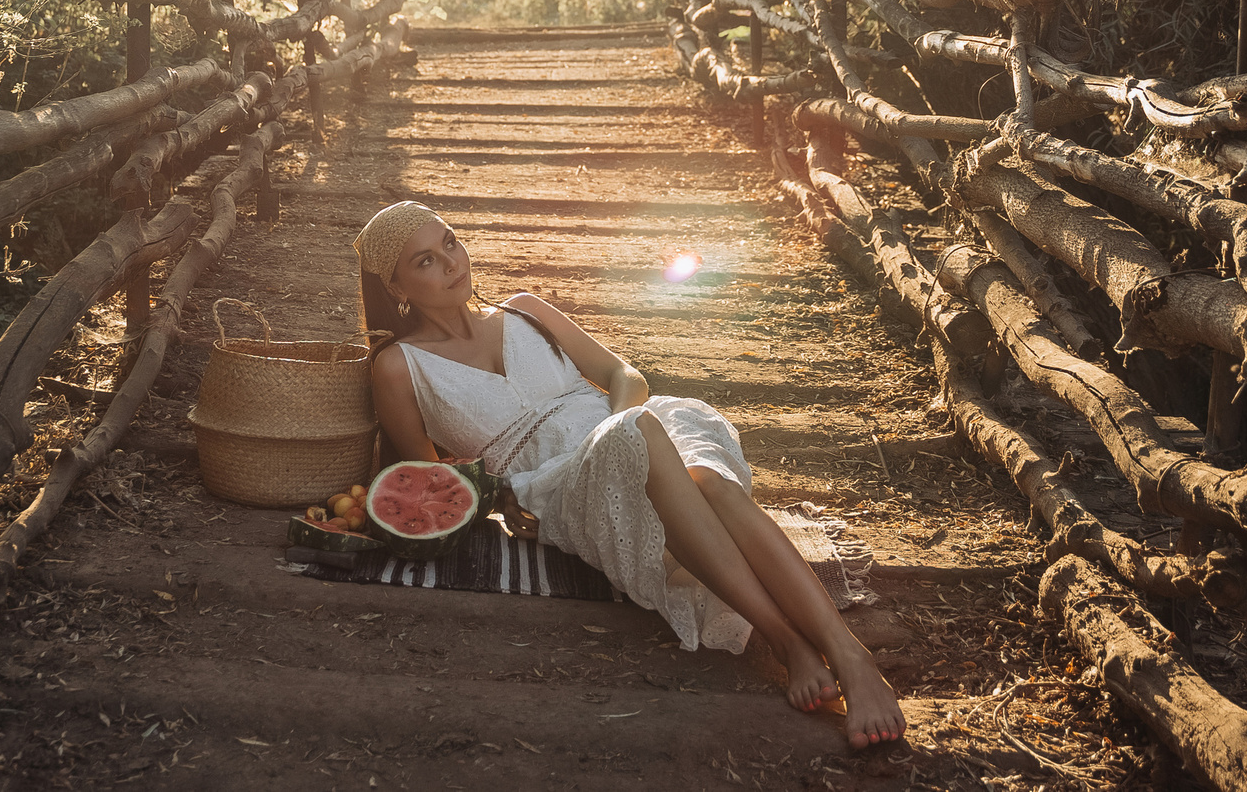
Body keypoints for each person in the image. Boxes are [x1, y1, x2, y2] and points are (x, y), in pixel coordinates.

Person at [356, 200, 907, 749]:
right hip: (558, 481)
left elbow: (623, 373)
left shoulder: (523, 310)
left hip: (632, 424)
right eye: (425, 260)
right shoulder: (399, 366)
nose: (451, 262)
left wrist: (622, 421)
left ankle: (844, 651)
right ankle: (787, 640)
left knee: (705, 478)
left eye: (450, 241)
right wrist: (500, 496)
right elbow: (429, 483)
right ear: (397, 287)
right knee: (651, 443)